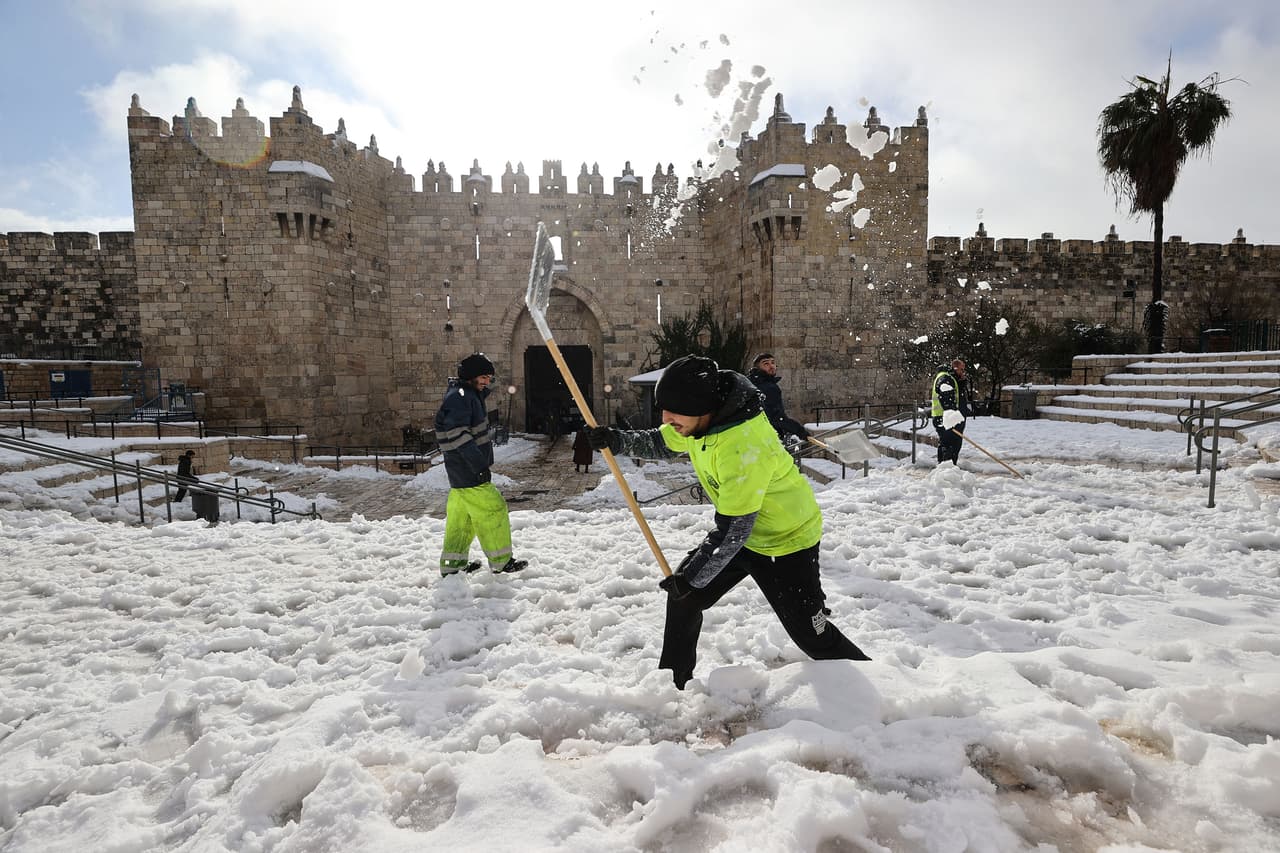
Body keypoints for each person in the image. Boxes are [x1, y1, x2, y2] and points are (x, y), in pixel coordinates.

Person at [587, 354, 871, 689]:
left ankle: (880, 682)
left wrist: (692, 578)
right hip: (742, 535)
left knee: (812, 636)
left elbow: (734, 529)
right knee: (683, 599)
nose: (666, 417)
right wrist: (617, 440)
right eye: (666, 408)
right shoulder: (700, 419)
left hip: (787, 540)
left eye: (675, 409)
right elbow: (663, 441)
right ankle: (673, 684)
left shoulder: (742, 446)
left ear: (702, 408)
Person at [435, 352, 527, 576]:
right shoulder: (460, 396)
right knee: (493, 509)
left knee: (462, 519)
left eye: (489, 377)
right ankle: (501, 561)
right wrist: (478, 465)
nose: (487, 381)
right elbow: (458, 434)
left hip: (460, 470)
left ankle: (452, 565)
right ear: (470, 376)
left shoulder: (468, 394)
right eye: (484, 377)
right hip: (467, 469)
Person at [747, 352, 810, 447]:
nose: (771, 366)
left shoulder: (751, 383)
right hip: (766, 437)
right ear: (757, 368)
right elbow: (776, 417)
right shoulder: (768, 387)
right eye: (766, 363)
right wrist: (799, 430)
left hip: (752, 436)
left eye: (772, 362)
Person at [931, 358, 975, 465]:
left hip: (949, 419)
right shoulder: (945, 378)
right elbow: (946, 396)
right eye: (961, 369)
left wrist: (961, 383)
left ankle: (949, 468)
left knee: (952, 444)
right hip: (946, 419)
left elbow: (955, 394)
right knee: (949, 445)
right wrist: (951, 416)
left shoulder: (950, 378)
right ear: (955, 368)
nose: (963, 372)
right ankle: (946, 469)